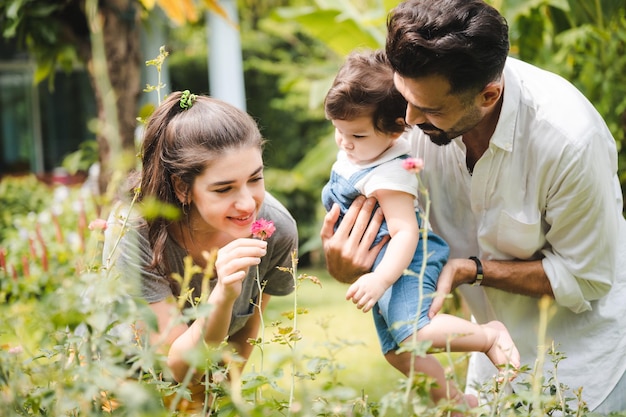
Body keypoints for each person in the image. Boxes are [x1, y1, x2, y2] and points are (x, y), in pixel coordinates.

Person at [320, 0, 626, 414]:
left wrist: (472, 269)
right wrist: (348, 265)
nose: (407, 119)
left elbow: (588, 279)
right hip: (489, 366)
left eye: (428, 110)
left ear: (488, 95)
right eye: (403, 97)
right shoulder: (413, 110)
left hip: (580, 364)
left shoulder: (568, 142)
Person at [321, 49, 519, 409]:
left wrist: (380, 280)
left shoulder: (389, 174)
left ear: (398, 128)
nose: (345, 143)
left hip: (407, 262)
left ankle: (488, 336)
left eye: (358, 135)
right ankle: (457, 405)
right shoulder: (360, 152)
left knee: (417, 333)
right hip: (383, 266)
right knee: (398, 352)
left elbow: (405, 233)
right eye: (339, 131)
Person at [108, 91, 298, 410]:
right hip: (121, 379)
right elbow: (174, 369)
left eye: (256, 179)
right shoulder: (136, 228)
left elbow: (248, 327)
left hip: (201, 383)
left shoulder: (274, 229)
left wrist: (221, 402)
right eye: (224, 188)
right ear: (182, 187)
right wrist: (223, 296)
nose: (247, 202)